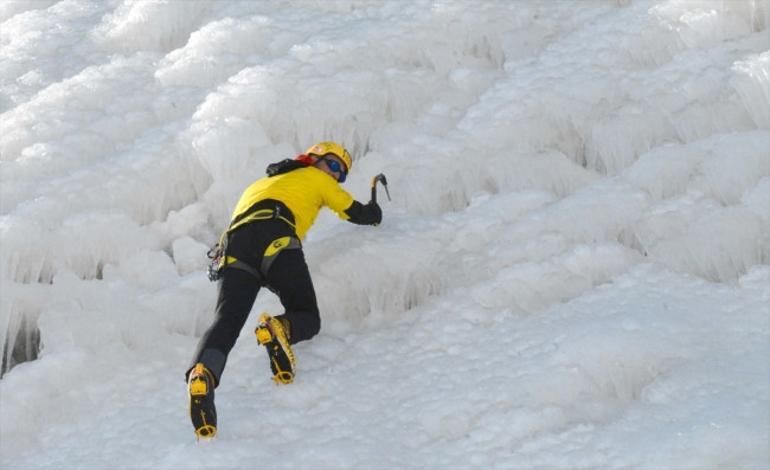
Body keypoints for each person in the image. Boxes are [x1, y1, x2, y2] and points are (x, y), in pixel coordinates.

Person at [186, 141, 382, 439]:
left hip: (236, 247)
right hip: (276, 236)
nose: (335, 174)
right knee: (307, 315)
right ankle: (279, 328)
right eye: (332, 165)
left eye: (341, 173)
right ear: (313, 159)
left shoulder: (261, 184)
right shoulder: (314, 177)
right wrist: (374, 212)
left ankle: (203, 375)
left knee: (226, 321)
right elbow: (352, 211)